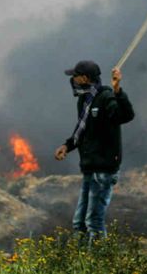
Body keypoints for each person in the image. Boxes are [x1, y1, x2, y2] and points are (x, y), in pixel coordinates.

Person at [53, 60, 134, 239]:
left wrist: (118, 89)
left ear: (84, 78)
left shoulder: (106, 97)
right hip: (90, 168)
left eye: (75, 76)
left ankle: (98, 264)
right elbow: (82, 129)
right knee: (79, 223)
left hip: (104, 169)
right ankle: (83, 264)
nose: (72, 80)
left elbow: (125, 115)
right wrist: (67, 145)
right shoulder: (84, 100)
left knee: (93, 221)